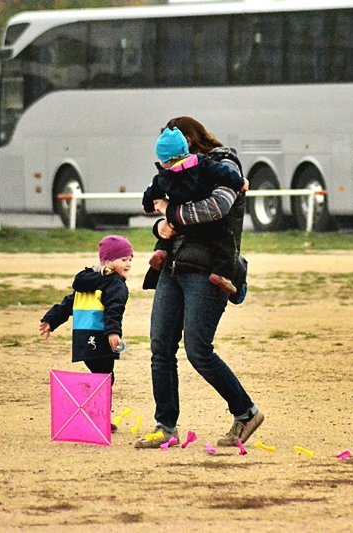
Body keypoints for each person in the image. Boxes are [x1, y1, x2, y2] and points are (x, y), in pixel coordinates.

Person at [135, 116, 263, 449]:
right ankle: (165, 426)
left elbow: (217, 208)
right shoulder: (172, 172)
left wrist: (170, 213)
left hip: (208, 269)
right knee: (160, 348)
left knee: (198, 350)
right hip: (173, 267)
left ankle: (246, 412)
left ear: (189, 139)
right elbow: (159, 207)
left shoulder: (222, 164)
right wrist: (160, 226)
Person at [39, 235, 133, 432]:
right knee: (104, 379)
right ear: (108, 262)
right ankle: (96, 416)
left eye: (130, 259)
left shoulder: (86, 281)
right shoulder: (114, 283)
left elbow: (68, 303)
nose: (129, 264)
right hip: (100, 337)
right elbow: (114, 308)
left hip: (82, 339)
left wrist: (51, 319)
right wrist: (113, 332)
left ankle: (98, 415)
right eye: (124, 259)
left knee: (102, 377)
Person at [142, 126, 247, 295]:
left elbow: (149, 195)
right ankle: (221, 274)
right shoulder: (201, 162)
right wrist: (240, 182)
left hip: (179, 223)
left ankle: (161, 251)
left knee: (169, 230)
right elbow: (222, 173)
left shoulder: (162, 176)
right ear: (185, 147)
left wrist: (148, 206)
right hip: (205, 223)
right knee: (225, 239)